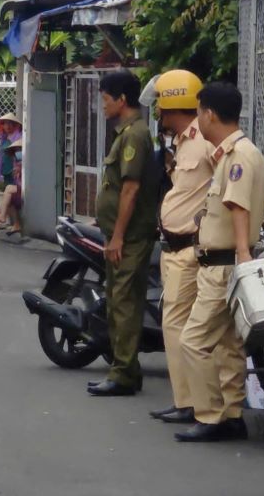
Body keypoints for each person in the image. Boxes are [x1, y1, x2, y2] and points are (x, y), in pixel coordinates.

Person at [176, 82, 264, 443]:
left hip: (225, 265)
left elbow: (238, 206)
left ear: (210, 114)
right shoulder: (234, 153)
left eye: (199, 113)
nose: (198, 120)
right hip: (224, 263)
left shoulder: (238, 156)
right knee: (229, 345)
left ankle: (210, 415)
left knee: (193, 340)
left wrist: (242, 256)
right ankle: (231, 414)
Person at [143, 70, 215, 425]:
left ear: (174, 103)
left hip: (190, 249)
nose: (158, 112)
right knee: (177, 326)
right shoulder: (184, 142)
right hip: (174, 249)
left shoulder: (205, 142)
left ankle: (190, 403)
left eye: (161, 104)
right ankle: (186, 400)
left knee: (179, 326)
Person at [88, 69, 160, 397]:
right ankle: (126, 370)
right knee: (117, 301)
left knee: (125, 304)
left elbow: (130, 190)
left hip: (130, 237)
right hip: (120, 235)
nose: (102, 105)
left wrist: (117, 236)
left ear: (121, 99)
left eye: (106, 99)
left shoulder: (134, 136)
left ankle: (123, 373)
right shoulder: (127, 133)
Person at [0, 138, 24, 235]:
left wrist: (20, 168)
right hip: (20, 187)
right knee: (9, 198)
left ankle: (2, 215)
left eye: (19, 150)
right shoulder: (16, 162)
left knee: (8, 189)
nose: (17, 152)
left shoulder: (28, 161)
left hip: (27, 188)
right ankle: (16, 224)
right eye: (16, 150)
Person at [0, 113, 22, 187]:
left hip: (14, 169)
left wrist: (19, 166)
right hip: (4, 170)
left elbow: (19, 152)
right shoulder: (3, 139)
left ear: (14, 125)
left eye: (10, 123)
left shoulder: (18, 138)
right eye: (5, 124)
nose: (7, 126)